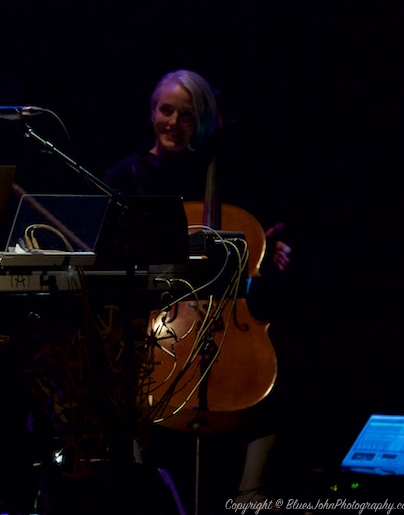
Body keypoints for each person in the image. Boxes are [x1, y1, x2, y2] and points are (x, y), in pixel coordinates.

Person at [102, 69, 292, 507]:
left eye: (186, 116)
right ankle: (141, 480)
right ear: (152, 111)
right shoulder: (126, 175)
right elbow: (107, 252)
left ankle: (251, 490)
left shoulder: (226, 172)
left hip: (227, 315)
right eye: (166, 110)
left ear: (202, 121)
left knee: (283, 369)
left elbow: (259, 233)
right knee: (122, 368)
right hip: (156, 315)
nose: (173, 122)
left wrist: (274, 246)